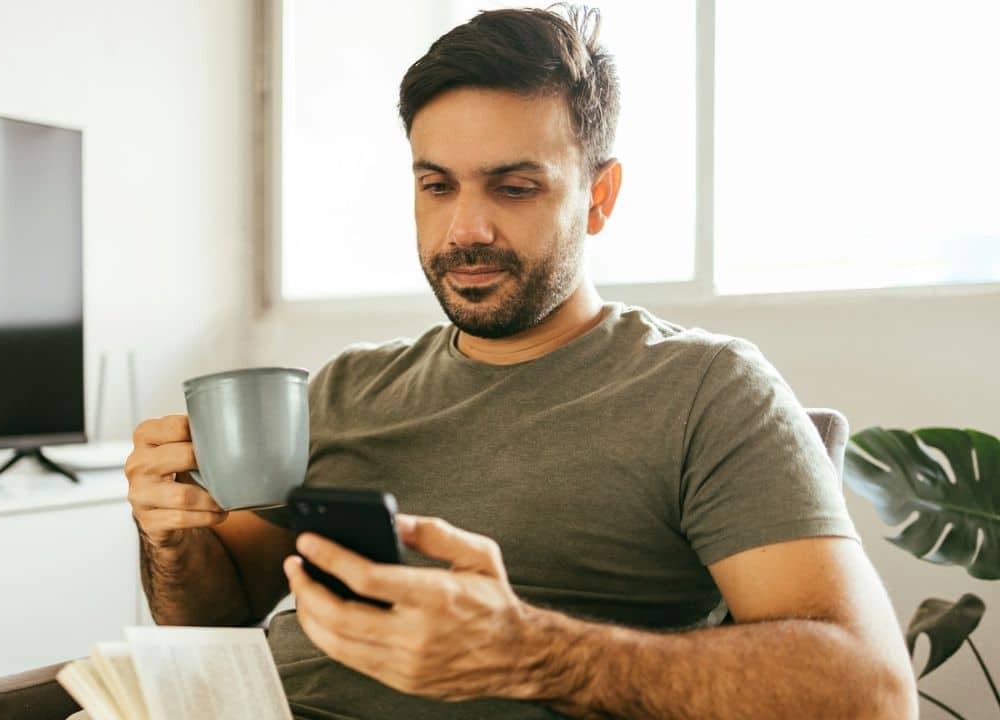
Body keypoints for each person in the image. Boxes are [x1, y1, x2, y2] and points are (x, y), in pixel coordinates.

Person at [124, 5, 916, 718]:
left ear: (600, 197)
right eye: (437, 185)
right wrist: (170, 534)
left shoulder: (706, 389)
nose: (465, 228)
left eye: (513, 187)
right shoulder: (346, 386)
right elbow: (214, 614)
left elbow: (870, 693)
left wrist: (529, 651)